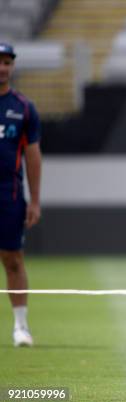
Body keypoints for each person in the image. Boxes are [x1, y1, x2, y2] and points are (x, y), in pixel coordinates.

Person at [0, 43, 42, 347]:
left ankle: (20, 327)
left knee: (13, 260)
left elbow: (32, 156)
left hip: (9, 195)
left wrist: (35, 199)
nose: (2, 67)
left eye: (7, 62)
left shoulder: (24, 108)